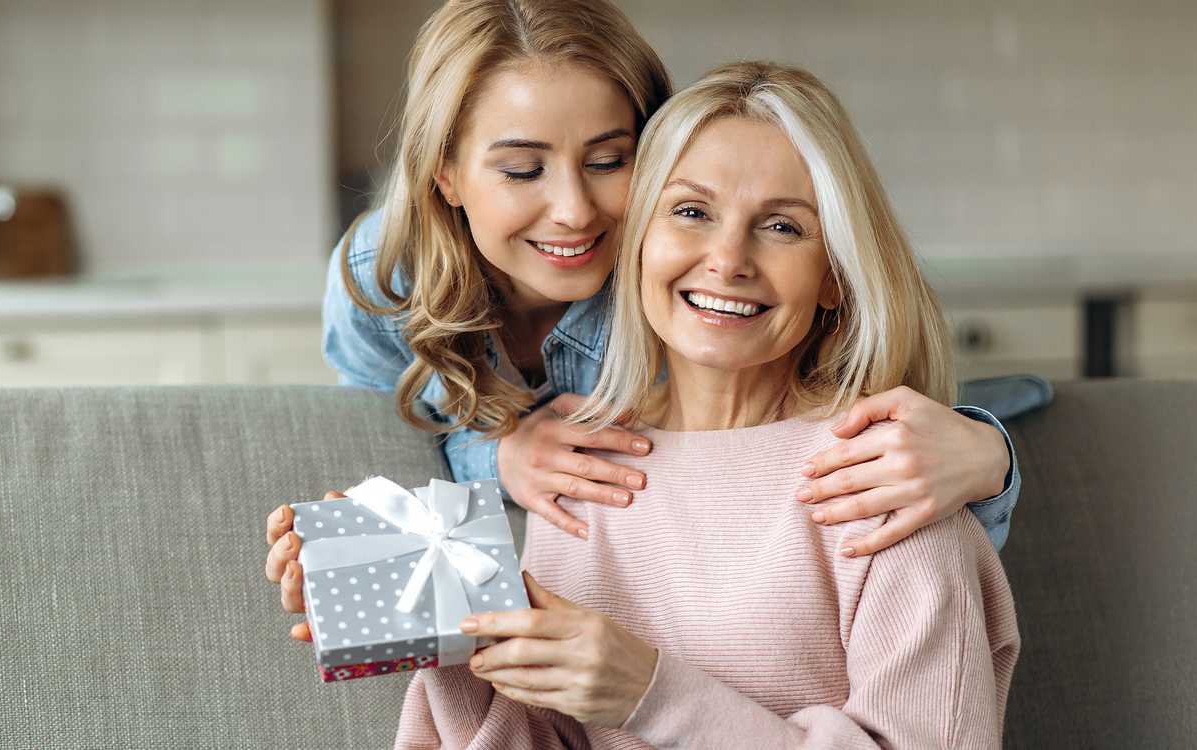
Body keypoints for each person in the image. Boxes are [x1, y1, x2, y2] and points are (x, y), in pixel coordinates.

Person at [266, 0, 1028, 641]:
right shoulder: (381, 278)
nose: (574, 211)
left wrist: (988, 455)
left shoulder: (678, 286)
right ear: (446, 172)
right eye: (523, 169)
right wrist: (360, 554)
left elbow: (816, 426)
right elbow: (388, 448)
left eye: (609, 161)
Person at [394, 59, 1020, 749]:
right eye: (691, 212)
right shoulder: (581, 461)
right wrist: (445, 638)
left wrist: (648, 694)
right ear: (636, 242)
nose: (727, 259)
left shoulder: (888, 478)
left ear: (834, 277)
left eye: (782, 227)